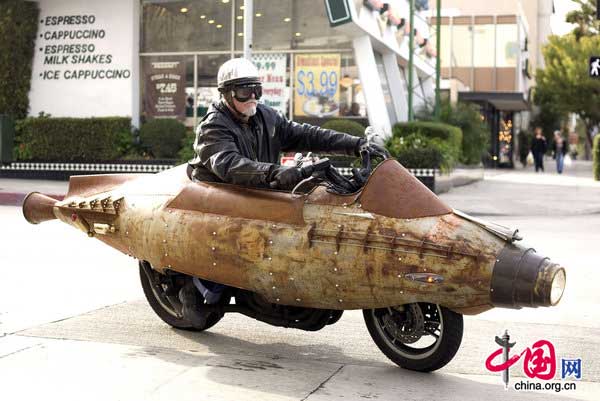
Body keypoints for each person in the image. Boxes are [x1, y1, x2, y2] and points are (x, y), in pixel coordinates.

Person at [189, 58, 388, 190]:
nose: (252, 97)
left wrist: (356, 145)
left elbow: (306, 135)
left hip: (258, 196)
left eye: (257, 90)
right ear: (226, 93)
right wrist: (274, 172)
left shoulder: (266, 116)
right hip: (219, 201)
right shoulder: (213, 127)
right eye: (244, 91)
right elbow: (230, 165)